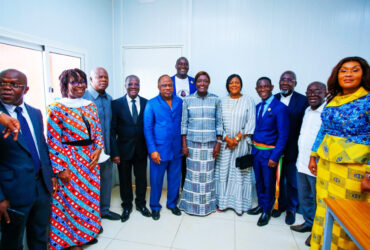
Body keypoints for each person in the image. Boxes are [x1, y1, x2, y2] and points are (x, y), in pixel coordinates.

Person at [309, 57, 370, 250]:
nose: (349, 74)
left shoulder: (367, 100)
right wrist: (313, 154)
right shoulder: (333, 99)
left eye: (355, 70)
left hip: (354, 169)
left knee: (348, 215)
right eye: (344, 71)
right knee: (324, 208)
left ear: (364, 74)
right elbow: (324, 130)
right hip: (327, 165)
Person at [47, 68, 104, 250]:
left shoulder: (90, 105)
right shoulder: (56, 108)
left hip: (91, 160)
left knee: (90, 197)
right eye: (74, 82)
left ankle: (87, 232)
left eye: (82, 81)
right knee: (71, 200)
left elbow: (97, 131)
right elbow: (53, 140)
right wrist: (61, 168)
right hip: (70, 160)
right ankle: (70, 241)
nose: (80, 85)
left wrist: (98, 148)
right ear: (65, 85)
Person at [0, 69, 56, 250]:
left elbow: (41, 146)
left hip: (41, 187)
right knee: (13, 242)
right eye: (2, 83)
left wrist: (50, 175)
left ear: (26, 89)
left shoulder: (35, 113)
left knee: (39, 235)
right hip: (13, 192)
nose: (6, 88)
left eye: (14, 85)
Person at [247, 77, 289, 227]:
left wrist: (275, 156)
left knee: (269, 183)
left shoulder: (280, 108)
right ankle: (260, 205)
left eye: (265, 86)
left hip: (269, 153)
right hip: (257, 152)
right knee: (259, 181)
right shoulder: (258, 106)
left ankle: (267, 210)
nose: (262, 89)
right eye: (260, 87)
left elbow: (284, 135)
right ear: (256, 89)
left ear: (271, 87)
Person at [179, 71, 222, 216]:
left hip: (210, 145)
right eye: (199, 81)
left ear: (208, 83)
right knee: (192, 176)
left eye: (205, 81)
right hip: (192, 144)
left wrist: (218, 143)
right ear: (195, 83)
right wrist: (184, 144)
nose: (202, 84)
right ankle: (190, 206)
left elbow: (219, 124)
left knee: (208, 176)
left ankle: (207, 206)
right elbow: (183, 124)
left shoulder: (216, 100)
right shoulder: (188, 100)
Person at [290, 82, 326, 246]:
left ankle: (317, 232)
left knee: (318, 199)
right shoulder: (307, 110)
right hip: (302, 162)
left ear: (325, 93)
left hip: (317, 164)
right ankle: (309, 222)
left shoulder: (327, 112)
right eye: (309, 92)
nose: (313, 94)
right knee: (305, 197)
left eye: (317, 91)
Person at [111, 75, 151, 222]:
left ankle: (141, 204)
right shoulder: (115, 104)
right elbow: (112, 130)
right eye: (130, 84)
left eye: (136, 84)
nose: (133, 86)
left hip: (141, 149)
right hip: (123, 151)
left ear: (139, 86)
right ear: (125, 85)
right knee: (125, 180)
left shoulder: (147, 103)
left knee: (141, 179)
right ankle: (127, 206)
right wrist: (114, 152)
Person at [215, 74, 256, 215]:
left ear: (241, 84)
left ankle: (239, 205)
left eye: (237, 82)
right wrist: (227, 138)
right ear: (227, 85)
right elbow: (218, 122)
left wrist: (236, 139)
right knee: (223, 172)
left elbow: (250, 122)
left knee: (239, 173)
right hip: (225, 145)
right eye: (231, 83)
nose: (234, 85)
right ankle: (222, 203)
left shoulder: (248, 100)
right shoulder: (221, 101)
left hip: (242, 144)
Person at [83, 67, 120, 220]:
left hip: (106, 150)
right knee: (88, 184)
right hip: (88, 152)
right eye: (99, 77)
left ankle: (104, 210)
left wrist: (113, 151)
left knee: (106, 181)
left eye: (106, 77)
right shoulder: (83, 98)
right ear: (91, 80)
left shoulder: (109, 99)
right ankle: (89, 216)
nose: (103, 79)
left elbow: (111, 128)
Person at [144, 75, 183, 220]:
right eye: (164, 85)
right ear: (158, 87)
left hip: (176, 149)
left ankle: (172, 204)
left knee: (174, 179)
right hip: (159, 150)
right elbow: (147, 128)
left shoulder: (180, 102)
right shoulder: (151, 104)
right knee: (156, 180)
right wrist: (152, 150)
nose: (167, 88)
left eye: (170, 85)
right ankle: (155, 206)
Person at [273, 70, 309, 225]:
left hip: (293, 148)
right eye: (283, 80)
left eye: (289, 80)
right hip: (275, 148)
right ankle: (278, 205)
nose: (285, 82)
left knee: (292, 182)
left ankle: (291, 209)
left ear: (295, 83)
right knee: (277, 179)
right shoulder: (273, 98)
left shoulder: (303, 100)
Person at [171, 57, 196, 190]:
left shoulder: (194, 81)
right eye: (180, 63)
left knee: (188, 160)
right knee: (177, 160)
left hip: (190, 125)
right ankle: (176, 191)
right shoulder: (169, 81)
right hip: (174, 124)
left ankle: (186, 189)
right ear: (175, 65)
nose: (183, 66)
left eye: (185, 64)